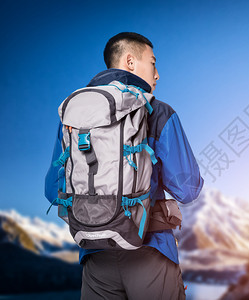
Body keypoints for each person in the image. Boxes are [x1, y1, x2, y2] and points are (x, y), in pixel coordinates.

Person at [45, 32, 204, 300]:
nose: (157, 74)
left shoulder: (72, 115)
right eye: (153, 63)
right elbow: (188, 190)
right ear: (130, 61)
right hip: (150, 249)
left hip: (95, 255)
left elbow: (53, 190)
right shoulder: (158, 111)